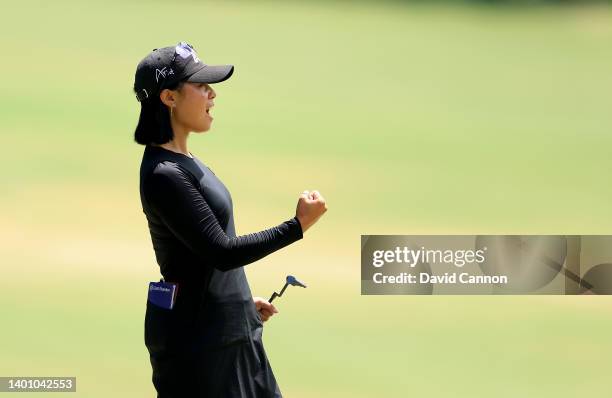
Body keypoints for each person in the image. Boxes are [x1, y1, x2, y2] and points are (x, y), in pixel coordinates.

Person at [133, 42, 327, 397]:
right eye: (201, 86)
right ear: (169, 98)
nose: (212, 95)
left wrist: (236, 304)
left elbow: (197, 259)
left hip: (225, 332)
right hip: (202, 351)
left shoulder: (186, 161)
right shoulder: (165, 174)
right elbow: (220, 251)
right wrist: (296, 226)